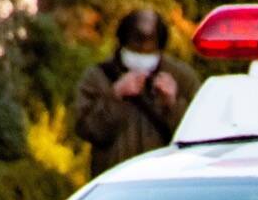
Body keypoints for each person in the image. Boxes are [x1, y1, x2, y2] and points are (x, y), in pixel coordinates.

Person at [73, 9, 200, 177]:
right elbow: (86, 130)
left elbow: (199, 135)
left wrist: (172, 104)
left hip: (167, 181)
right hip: (115, 180)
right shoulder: (97, 77)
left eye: (149, 47)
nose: (142, 50)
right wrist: (116, 96)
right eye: (136, 45)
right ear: (123, 41)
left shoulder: (182, 77)